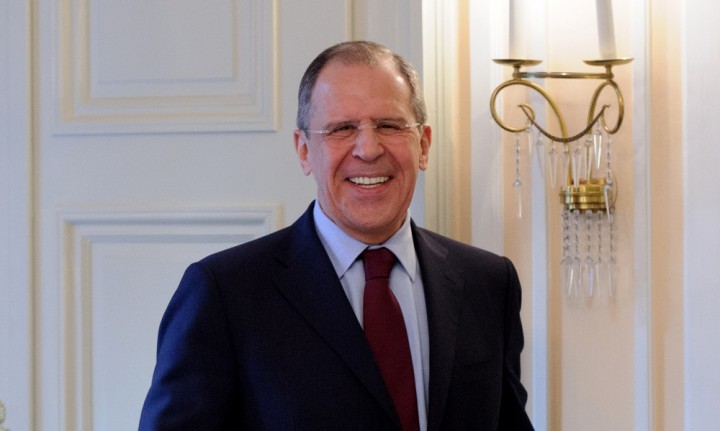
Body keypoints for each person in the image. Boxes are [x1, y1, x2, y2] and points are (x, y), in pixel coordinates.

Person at [139, 40, 534, 430]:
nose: (368, 149)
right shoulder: (225, 293)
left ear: (424, 145)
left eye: (389, 125)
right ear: (304, 151)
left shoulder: (488, 284)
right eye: (342, 128)